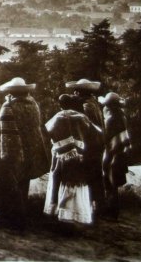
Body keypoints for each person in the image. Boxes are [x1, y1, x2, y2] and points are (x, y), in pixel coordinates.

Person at [0, 77, 51, 229]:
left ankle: (13, 220)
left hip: (14, 151)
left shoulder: (9, 106)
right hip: (32, 152)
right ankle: (23, 216)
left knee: (10, 185)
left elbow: (0, 127)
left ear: (11, 92)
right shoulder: (33, 104)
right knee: (23, 184)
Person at [43, 94, 102, 225]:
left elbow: (47, 133)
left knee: (60, 181)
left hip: (61, 156)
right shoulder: (82, 117)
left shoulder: (57, 117)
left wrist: (60, 145)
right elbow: (96, 133)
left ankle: (59, 213)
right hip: (81, 156)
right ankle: (78, 215)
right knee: (78, 182)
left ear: (60, 105)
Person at [65, 78, 105, 214]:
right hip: (98, 143)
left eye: (76, 91)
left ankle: (91, 207)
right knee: (97, 175)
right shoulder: (95, 104)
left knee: (90, 175)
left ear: (80, 92)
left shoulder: (86, 106)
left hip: (90, 144)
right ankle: (99, 205)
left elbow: (86, 126)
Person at [98, 92, 132, 219]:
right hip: (120, 151)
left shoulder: (112, 119)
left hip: (113, 153)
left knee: (110, 183)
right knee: (113, 183)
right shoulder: (121, 116)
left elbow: (106, 137)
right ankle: (112, 211)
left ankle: (112, 212)